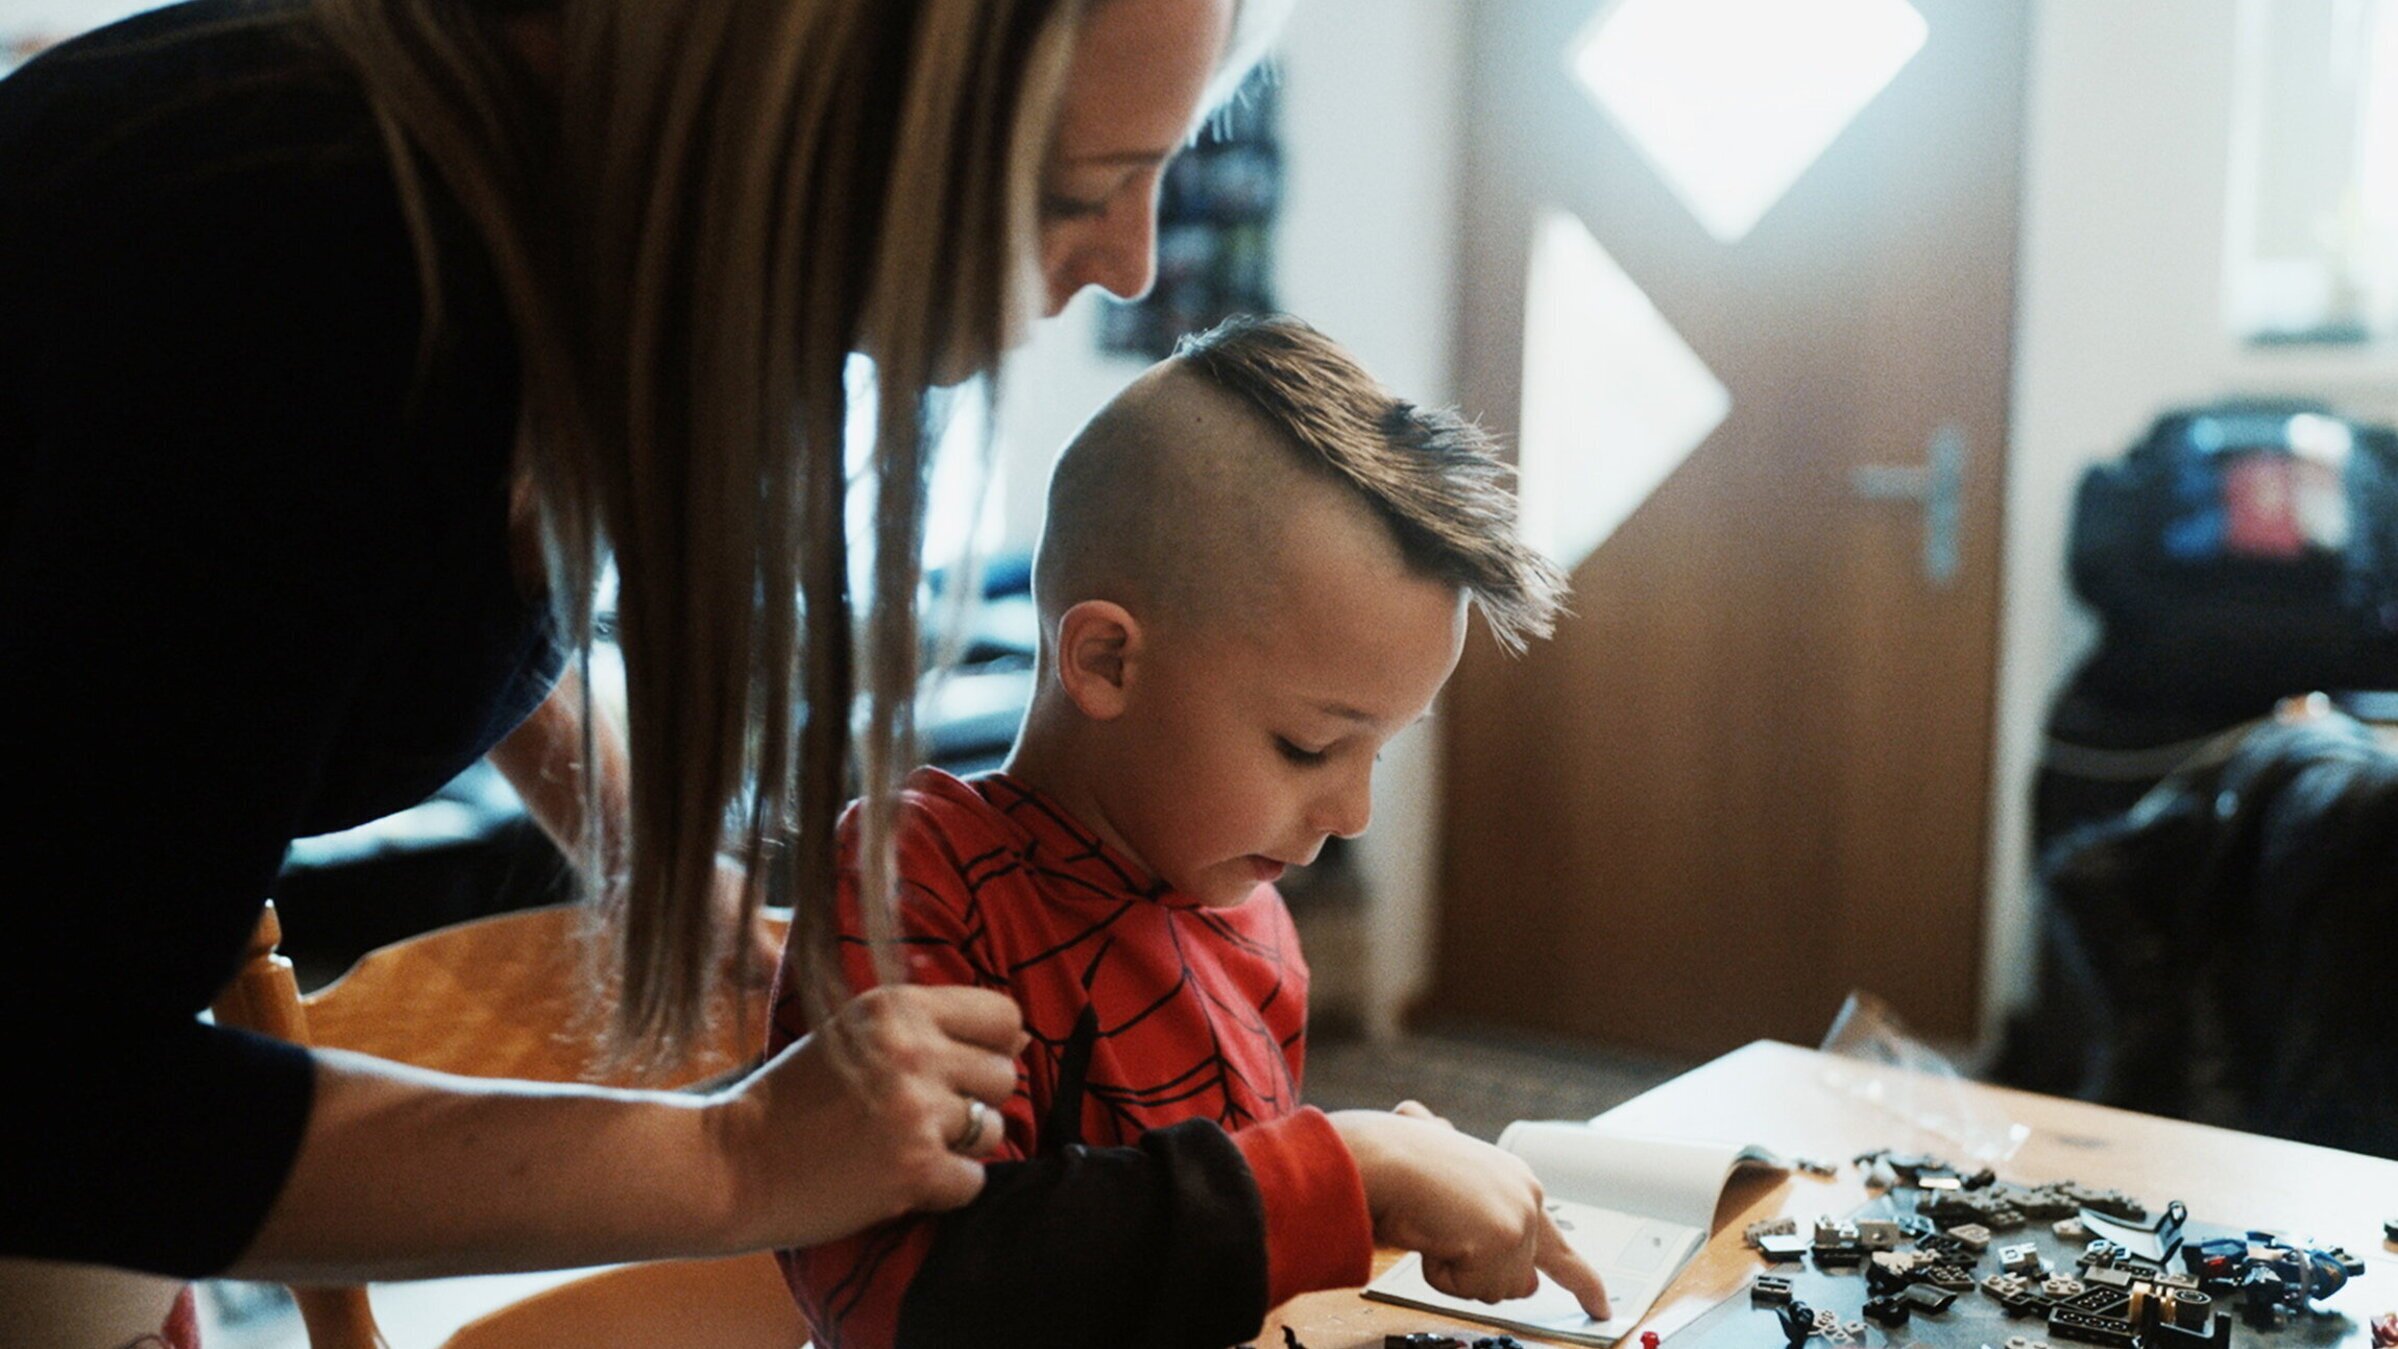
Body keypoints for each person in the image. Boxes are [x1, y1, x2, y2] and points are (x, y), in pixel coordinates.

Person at [0, 0, 1288, 1337]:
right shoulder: (307, 257)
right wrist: (743, 1156)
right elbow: (53, 1103)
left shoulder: (549, 230)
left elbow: (335, 588)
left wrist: (637, 838)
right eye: (1079, 188)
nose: (1133, 261)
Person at [768, 314, 1612, 1348]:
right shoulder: (915, 880)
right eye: (1308, 745)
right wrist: (1341, 1169)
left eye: (1377, 751)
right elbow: (913, 1294)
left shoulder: (1255, 925)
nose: (1352, 813)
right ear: (1107, 662)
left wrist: (1377, 1186)